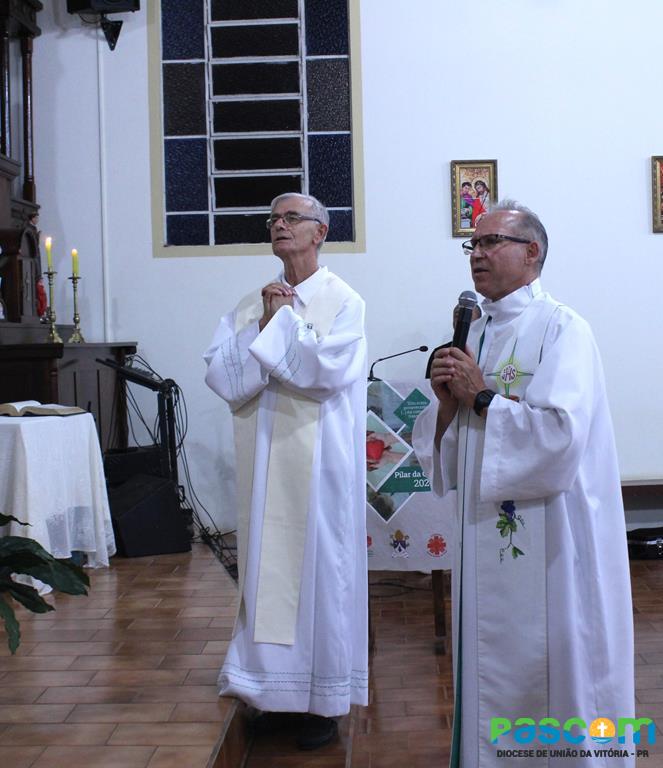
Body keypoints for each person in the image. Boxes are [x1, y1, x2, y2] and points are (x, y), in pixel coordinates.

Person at [412, 200, 634, 767]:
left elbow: (561, 436)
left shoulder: (563, 328)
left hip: (549, 541)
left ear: (531, 252)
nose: (477, 256)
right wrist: (444, 407)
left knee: (555, 669)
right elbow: (455, 448)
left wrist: (483, 397)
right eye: (473, 245)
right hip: (485, 539)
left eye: (491, 243)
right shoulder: (475, 332)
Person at [203, 192, 368, 750]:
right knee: (265, 574)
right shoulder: (254, 302)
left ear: (320, 232)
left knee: (321, 576)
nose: (279, 225)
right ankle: (271, 695)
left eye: (291, 218)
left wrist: (278, 328)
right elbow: (223, 377)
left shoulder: (344, 300)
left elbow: (324, 371)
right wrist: (266, 324)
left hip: (318, 469)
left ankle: (321, 704)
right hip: (265, 467)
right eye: (273, 218)